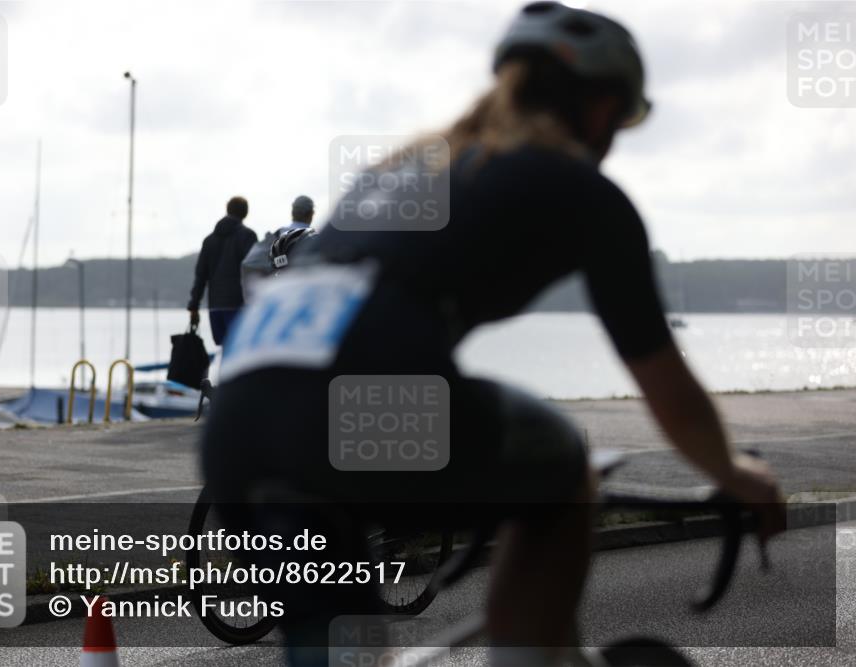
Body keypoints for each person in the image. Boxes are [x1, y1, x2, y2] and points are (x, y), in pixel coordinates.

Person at [202, 3, 786, 665]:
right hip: (360, 408)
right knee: (562, 462)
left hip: (234, 433)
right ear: (601, 110)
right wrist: (735, 472)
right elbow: (669, 389)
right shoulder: (579, 187)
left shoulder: (405, 169)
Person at [187, 196, 258, 345]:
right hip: (238, 305)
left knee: (224, 349)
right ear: (245, 213)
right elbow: (254, 269)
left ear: (227, 210)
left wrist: (194, 306)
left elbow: (200, 276)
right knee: (239, 349)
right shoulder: (247, 236)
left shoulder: (209, 240)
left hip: (215, 307)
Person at [240, 195, 318, 300]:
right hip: (305, 298)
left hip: (279, 297)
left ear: (292, 213)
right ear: (311, 214)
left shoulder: (277, 235)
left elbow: (250, 263)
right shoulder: (316, 239)